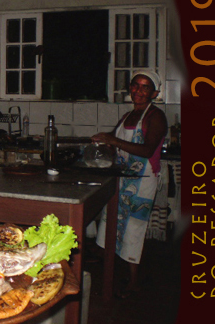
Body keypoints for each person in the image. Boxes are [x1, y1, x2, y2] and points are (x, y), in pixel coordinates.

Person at [92, 70, 168, 299]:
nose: (138, 91)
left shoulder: (156, 116)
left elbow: (146, 150)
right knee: (111, 225)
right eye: (135, 85)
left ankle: (134, 282)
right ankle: (110, 274)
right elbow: (115, 147)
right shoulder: (127, 116)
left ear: (154, 93)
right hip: (121, 179)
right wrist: (101, 146)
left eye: (145, 87)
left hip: (143, 181)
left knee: (133, 231)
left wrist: (112, 139)